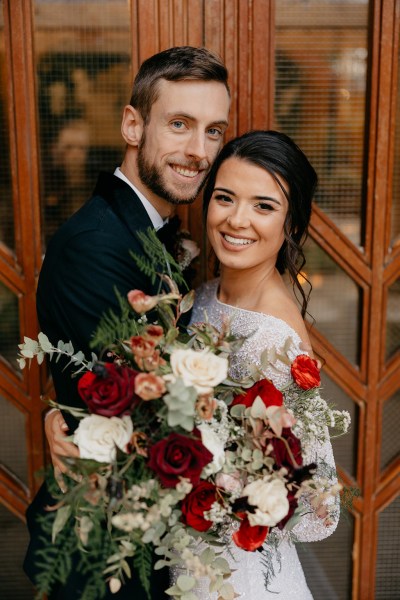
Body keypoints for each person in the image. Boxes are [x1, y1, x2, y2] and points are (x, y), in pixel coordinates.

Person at [24, 45, 231, 600]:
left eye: (214, 131)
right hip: (108, 554)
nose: (198, 150)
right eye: (181, 125)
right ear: (132, 124)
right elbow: (142, 412)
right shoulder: (96, 244)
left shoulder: (148, 231)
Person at [176, 130, 339, 599]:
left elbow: (316, 507)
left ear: (291, 223)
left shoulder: (276, 336)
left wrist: (225, 481)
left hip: (237, 573)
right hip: (187, 553)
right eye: (224, 198)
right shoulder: (202, 296)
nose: (237, 220)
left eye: (263, 206)